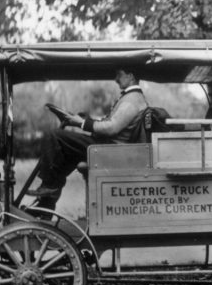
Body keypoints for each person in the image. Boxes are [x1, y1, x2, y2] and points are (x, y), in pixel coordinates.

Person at [29, 68, 148, 209]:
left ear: (131, 76)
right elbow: (113, 124)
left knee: (53, 135)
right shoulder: (131, 97)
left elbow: (112, 128)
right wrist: (85, 120)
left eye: (119, 75)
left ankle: (49, 187)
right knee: (64, 152)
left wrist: (82, 123)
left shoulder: (132, 99)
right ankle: (46, 205)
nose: (116, 79)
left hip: (110, 150)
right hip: (110, 148)